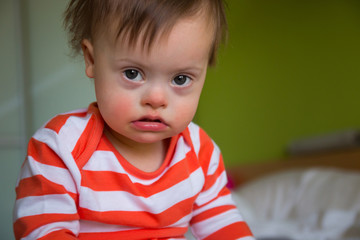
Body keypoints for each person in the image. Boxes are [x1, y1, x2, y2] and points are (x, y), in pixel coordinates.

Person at [13, 0, 254, 239]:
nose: (156, 99)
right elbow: (44, 231)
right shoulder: (61, 148)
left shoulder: (199, 152)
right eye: (133, 73)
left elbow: (223, 223)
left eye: (180, 79)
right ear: (92, 60)